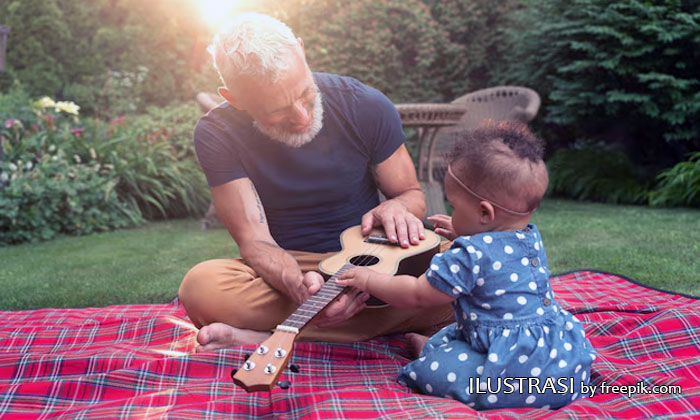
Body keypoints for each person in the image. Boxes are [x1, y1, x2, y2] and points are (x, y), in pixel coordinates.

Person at [178, 12, 454, 351]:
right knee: (201, 287)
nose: (302, 117)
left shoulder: (365, 104)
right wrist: (301, 290)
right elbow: (255, 242)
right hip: (295, 267)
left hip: (379, 262)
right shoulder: (216, 133)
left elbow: (411, 194)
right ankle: (375, 322)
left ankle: (273, 335)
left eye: (306, 94)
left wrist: (396, 207)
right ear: (235, 99)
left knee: (471, 263)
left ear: (302, 51)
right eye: (277, 110)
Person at [337, 121, 595, 409]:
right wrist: (464, 232)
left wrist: (369, 279)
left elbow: (417, 293)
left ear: (484, 213)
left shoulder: (467, 256)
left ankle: (432, 358)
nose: (451, 212)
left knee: (439, 370)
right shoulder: (528, 238)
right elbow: (495, 256)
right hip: (561, 365)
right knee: (449, 334)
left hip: (511, 373)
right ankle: (438, 350)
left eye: (455, 207)